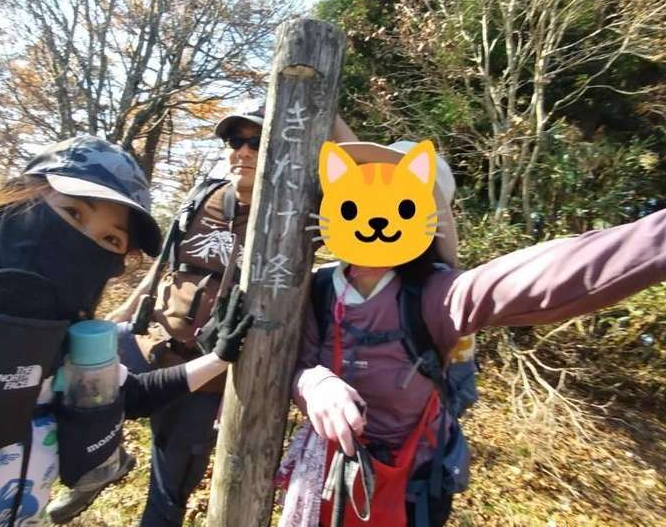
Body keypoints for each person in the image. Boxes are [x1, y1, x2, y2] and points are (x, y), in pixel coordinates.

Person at [280, 139, 666, 527]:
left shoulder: (437, 293)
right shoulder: (320, 287)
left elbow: (528, 279)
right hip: (326, 476)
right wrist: (316, 385)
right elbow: (297, 366)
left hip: (410, 483)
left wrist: (654, 240)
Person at [0, 135, 252, 525]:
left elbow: (133, 395)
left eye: (111, 239)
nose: (84, 241)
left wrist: (219, 358)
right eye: (73, 213)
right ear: (18, 199)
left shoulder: (67, 340)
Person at [70, 103, 358, 527]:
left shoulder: (297, 212)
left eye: (256, 142)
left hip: (206, 376)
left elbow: (360, 179)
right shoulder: (203, 195)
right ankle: (100, 462)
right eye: (234, 141)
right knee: (75, 382)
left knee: (168, 492)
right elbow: (168, 261)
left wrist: (327, 107)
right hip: (149, 342)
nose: (242, 151)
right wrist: (129, 307)